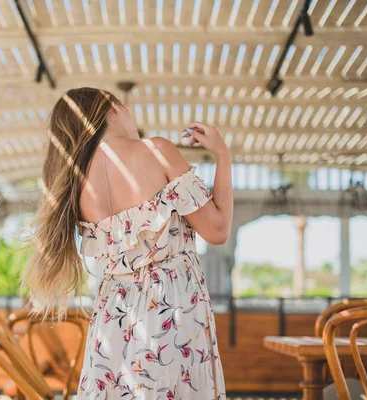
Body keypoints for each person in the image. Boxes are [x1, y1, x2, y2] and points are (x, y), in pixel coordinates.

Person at [23, 87, 233, 399]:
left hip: (113, 309)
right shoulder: (157, 150)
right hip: (172, 304)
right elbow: (217, 230)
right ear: (113, 109)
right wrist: (223, 155)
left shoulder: (73, 183)